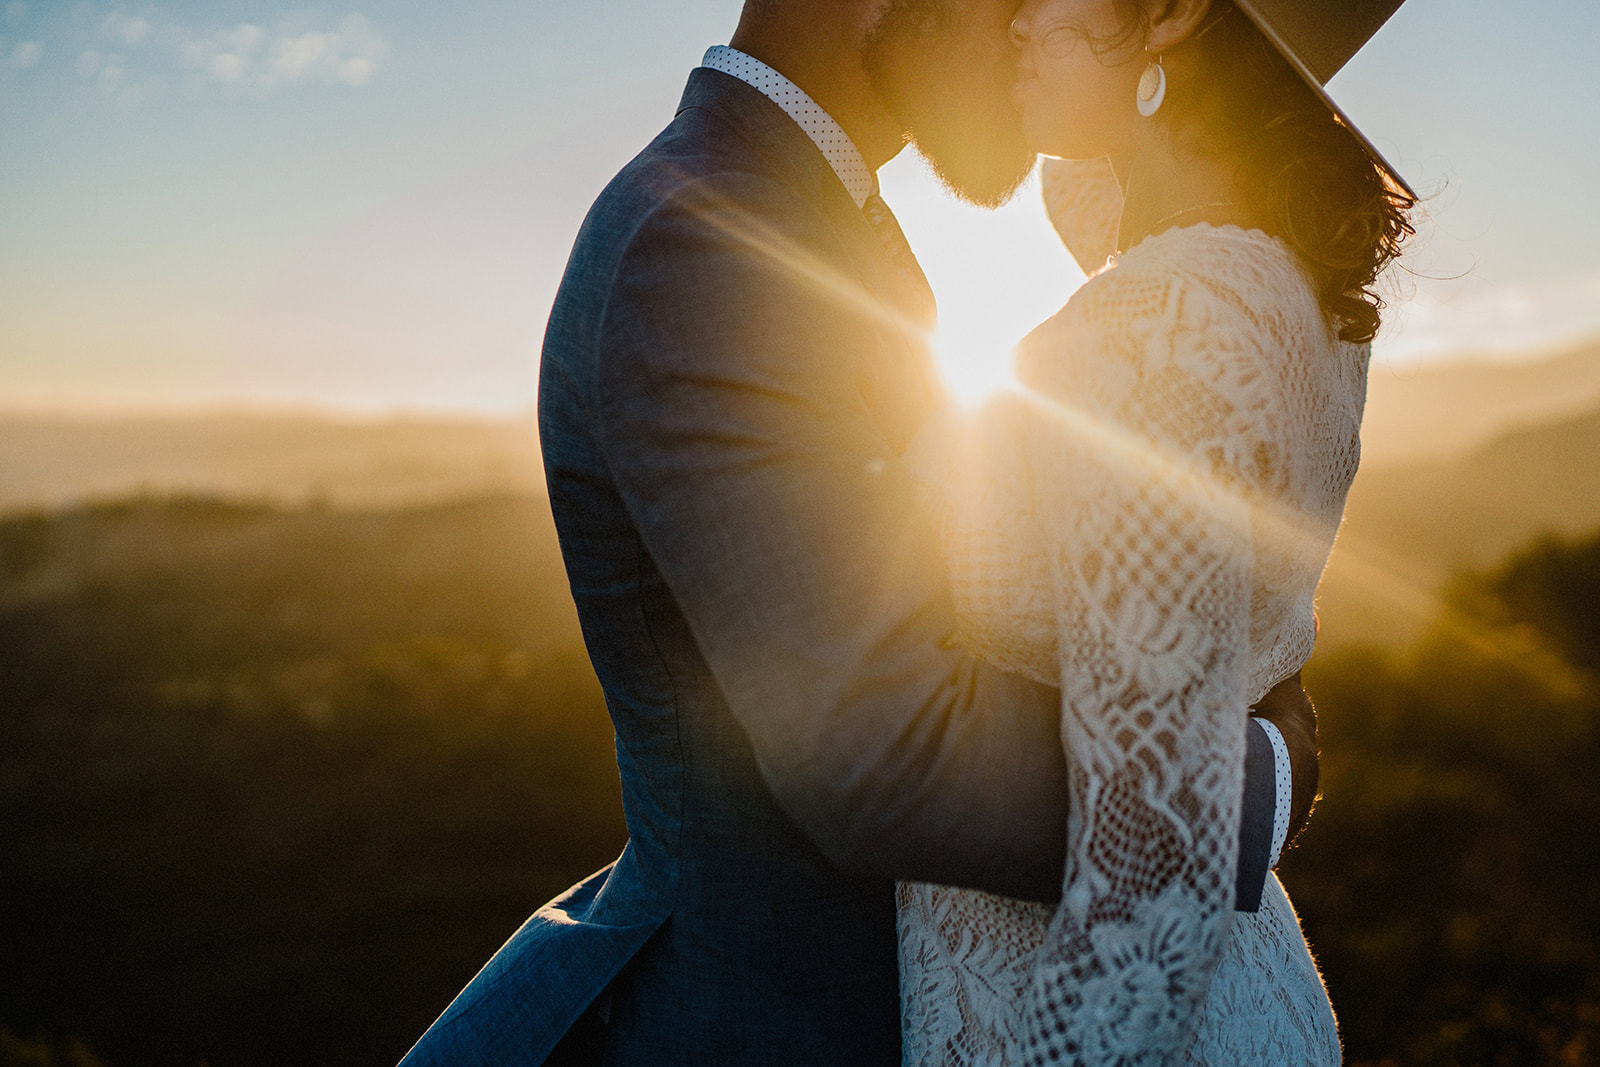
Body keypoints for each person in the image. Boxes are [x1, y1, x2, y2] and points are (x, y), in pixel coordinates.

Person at [395, 1, 1319, 1063]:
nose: (1034, 21)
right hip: (779, 1018)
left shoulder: (809, 214)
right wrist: (1252, 770)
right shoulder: (706, 239)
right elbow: (887, 749)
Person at [895, 0, 1416, 1063]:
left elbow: (1149, 886)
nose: (1014, 19)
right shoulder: (1282, 293)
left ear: (1175, 14)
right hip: (1241, 978)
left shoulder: (1157, 328)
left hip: (1089, 1015)